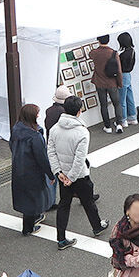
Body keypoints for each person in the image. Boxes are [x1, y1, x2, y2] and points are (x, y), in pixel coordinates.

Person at [48, 95, 110, 250]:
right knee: (88, 202)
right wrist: (72, 177)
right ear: (79, 111)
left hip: (62, 175)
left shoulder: (54, 129)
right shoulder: (82, 132)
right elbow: (79, 158)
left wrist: (58, 172)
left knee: (64, 205)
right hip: (79, 175)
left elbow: (51, 152)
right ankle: (97, 226)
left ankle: (61, 239)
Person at [10, 104, 53, 236]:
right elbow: (42, 158)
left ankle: (34, 217)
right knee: (33, 198)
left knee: (26, 197)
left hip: (19, 168)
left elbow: (11, 145)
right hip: (33, 172)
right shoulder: (35, 136)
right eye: (37, 113)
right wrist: (50, 174)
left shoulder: (16, 129)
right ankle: (28, 228)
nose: (38, 115)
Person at [89, 35, 124, 134]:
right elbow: (119, 71)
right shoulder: (114, 53)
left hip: (99, 82)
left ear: (98, 40)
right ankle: (119, 125)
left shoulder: (95, 53)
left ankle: (107, 126)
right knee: (117, 104)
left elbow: (89, 54)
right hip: (112, 82)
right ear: (108, 40)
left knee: (103, 105)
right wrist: (120, 83)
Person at [117, 31, 138, 128]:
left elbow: (119, 67)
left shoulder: (122, 55)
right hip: (128, 75)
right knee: (130, 97)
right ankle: (133, 117)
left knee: (122, 99)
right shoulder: (132, 51)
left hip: (122, 76)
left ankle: (123, 119)